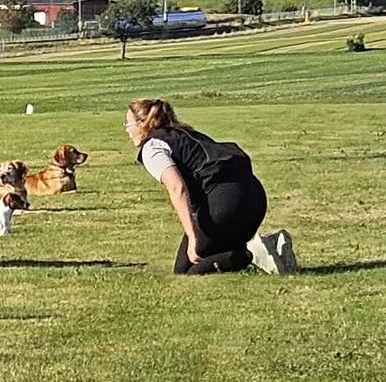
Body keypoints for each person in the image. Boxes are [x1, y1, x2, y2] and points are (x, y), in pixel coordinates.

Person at [125, 97, 296, 275]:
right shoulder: (185, 134)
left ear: (144, 124)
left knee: (186, 270)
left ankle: (252, 253)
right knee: (213, 253)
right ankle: (270, 248)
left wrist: (192, 237)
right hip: (255, 198)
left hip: (227, 204)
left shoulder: (152, 147)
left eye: (128, 124)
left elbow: (177, 188)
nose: (127, 131)